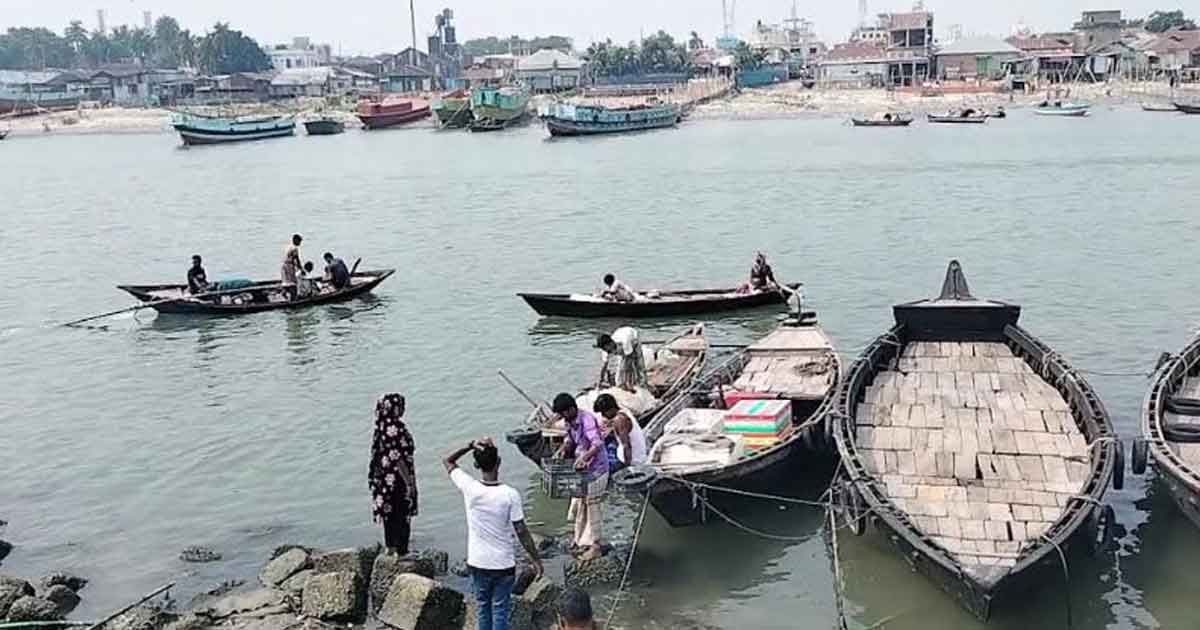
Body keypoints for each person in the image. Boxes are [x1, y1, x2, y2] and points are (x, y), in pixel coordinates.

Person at [444, 438, 543, 630]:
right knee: (500, 611)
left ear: (476, 465)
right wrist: (536, 559)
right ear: (499, 462)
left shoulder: (470, 488)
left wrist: (469, 445)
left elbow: (448, 461)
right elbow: (521, 531)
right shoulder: (510, 494)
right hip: (503, 564)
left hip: (478, 562)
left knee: (483, 609)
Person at [553, 393, 609, 560]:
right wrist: (563, 449)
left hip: (597, 468)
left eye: (564, 413)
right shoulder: (569, 423)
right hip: (582, 469)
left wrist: (585, 457)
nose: (563, 417)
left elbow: (598, 443)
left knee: (592, 503)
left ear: (572, 409)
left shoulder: (587, 420)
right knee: (581, 503)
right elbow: (569, 440)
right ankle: (580, 539)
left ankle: (596, 543)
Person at [368, 393, 418, 556]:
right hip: (396, 479)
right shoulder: (394, 429)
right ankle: (402, 552)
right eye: (401, 406)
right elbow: (397, 458)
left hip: (382, 479)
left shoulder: (380, 427)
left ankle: (390, 548)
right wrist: (409, 483)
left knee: (389, 515)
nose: (403, 409)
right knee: (401, 514)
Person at [593, 393, 647, 471]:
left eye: (604, 412)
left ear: (611, 409)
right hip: (638, 455)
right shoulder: (623, 412)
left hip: (633, 460)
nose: (603, 415)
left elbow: (627, 446)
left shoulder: (620, 420)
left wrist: (627, 468)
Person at [595, 327, 646, 392]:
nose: (607, 351)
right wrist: (600, 381)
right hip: (622, 345)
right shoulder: (605, 349)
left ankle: (642, 385)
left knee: (638, 365)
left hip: (633, 339)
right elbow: (604, 366)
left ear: (610, 343)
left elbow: (628, 361)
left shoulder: (625, 340)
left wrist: (627, 380)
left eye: (608, 349)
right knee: (620, 371)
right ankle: (621, 385)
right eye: (605, 350)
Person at [281, 234, 303, 300]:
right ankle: (293, 298)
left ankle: (284, 292)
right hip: (289, 266)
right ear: (295, 240)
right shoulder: (294, 248)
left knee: (286, 281)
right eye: (299, 241)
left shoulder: (288, 247)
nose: (299, 243)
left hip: (284, 265)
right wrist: (301, 268)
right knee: (293, 283)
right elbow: (297, 259)